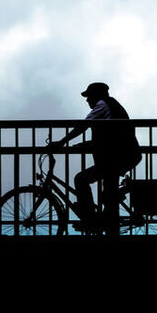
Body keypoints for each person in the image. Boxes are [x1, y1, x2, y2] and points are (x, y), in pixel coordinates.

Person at [48, 82, 142, 222]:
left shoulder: (103, 105)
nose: (87, 100)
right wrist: (77, 146)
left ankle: (90, 218)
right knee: (108, 192)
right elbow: (105, 139)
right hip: (123, 155)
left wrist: (61, 142)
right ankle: (104, 221)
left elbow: (83, 126)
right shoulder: (111, 107)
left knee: (81, 179)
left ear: (96, 95)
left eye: (89, 96)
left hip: (118, 157)